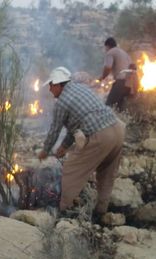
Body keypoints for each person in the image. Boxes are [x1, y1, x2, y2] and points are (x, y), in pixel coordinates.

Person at [38, 67, 125, 220]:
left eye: (51, 85)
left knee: (71, 169)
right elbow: (77, 124)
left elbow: (54, 130)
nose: (50, 89)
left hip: (101, 135)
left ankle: (64, 213)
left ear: (59, 84)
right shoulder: (80, 89)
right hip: (118, 130)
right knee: (106, 173)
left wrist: (45, 150)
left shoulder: (61, 102)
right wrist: (64, 147)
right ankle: (101, 214)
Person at [99, 37, 132, 111]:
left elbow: (108, 67)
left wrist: (102, 78)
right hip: (130, 85)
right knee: (119, 109)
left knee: (108, 106)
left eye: (105, 48)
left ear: (107, 46)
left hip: (121, 82)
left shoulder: (110, 52)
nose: (105, 50)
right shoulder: (124, 53)